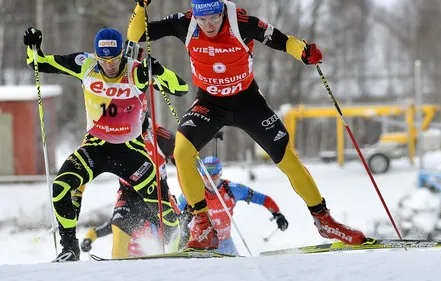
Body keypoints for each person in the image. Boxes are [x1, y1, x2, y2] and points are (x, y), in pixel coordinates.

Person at [127, 0, 367, 250]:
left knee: (288, 159)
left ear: (222, 11)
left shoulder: (242, 24)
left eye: (214, 18)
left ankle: (324, 220)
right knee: (182, 152)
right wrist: (140, 6)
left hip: (247, 102)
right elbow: (136, 35)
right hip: (209, 103)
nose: (208, 25)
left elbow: (283, 41)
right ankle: (203, 225)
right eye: (202, 19)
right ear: (194, 15)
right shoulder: (184, 24)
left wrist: (303, 53)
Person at [23, 26, 189, 262]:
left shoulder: (136, 71)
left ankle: (178, 245)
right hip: (95, 147)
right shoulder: (85, 64)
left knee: (162, 208)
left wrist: (158, 69)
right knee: (60, 187)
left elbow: (180, 88)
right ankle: (69, 249)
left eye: (114, 59)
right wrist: (33, 47)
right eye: (103, 59)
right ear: (96, 54)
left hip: (131, 150)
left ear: (122, 54)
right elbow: (38, 64)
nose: (109, 65)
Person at [76, 117, 182, 258]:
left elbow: (183, 166)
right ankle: (119, 269)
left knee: (177, 230)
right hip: (129, 193)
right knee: (118, 226)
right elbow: (85, 160)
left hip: (156, 190)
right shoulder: (113, 134)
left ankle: (177, 265)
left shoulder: (161, 137)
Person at [177, 156, 289, 255]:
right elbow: (175, 211)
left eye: (214, 175)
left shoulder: (232, 189)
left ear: (220, 172)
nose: (210, 180)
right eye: (206, 176)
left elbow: (262, 199)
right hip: (200, 243)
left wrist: (277, 214)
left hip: (225, 244)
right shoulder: (194, 190)